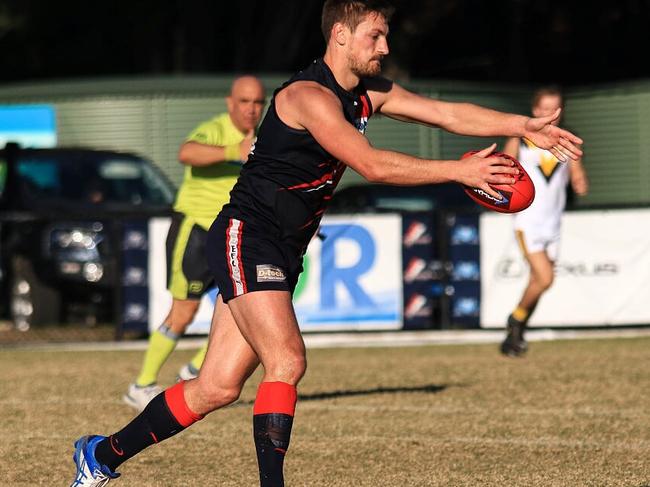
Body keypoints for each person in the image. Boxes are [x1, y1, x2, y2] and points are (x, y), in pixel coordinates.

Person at [70, 1, 583, 485]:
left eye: (385, 35)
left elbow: (446, 114)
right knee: (288, 361)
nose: (384, 46)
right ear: (340, 34)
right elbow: (373, 165)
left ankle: (99, 456)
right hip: (246, 237)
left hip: (281, 248)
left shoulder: (368, 92)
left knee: (217, 387)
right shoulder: (307, 97)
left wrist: (523, 125)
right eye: (374, 35)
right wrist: (460, 170)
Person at [122, 75, 266, 411]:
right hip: (196, 231)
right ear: (231, 103)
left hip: (231, 234)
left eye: (258, 102)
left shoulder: (263, 139)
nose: (251, 109)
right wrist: (235, 151)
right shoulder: (215, 129)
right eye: (244, 101)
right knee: (183, 313)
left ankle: (195, 369)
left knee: (241, 308)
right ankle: (141, 385)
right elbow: (186, 152)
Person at [500, 86, 588, 357]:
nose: (551, 114)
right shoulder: (521, 139)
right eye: (546, 109)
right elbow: (505, 167)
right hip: (528, 222)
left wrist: (579, 179)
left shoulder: (565, 139)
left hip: (554, 224)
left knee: (538, 282)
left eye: (556, 109)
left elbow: (575, 170)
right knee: (545, 278)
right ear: (535, 110)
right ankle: (515, 321)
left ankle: (515, 333)